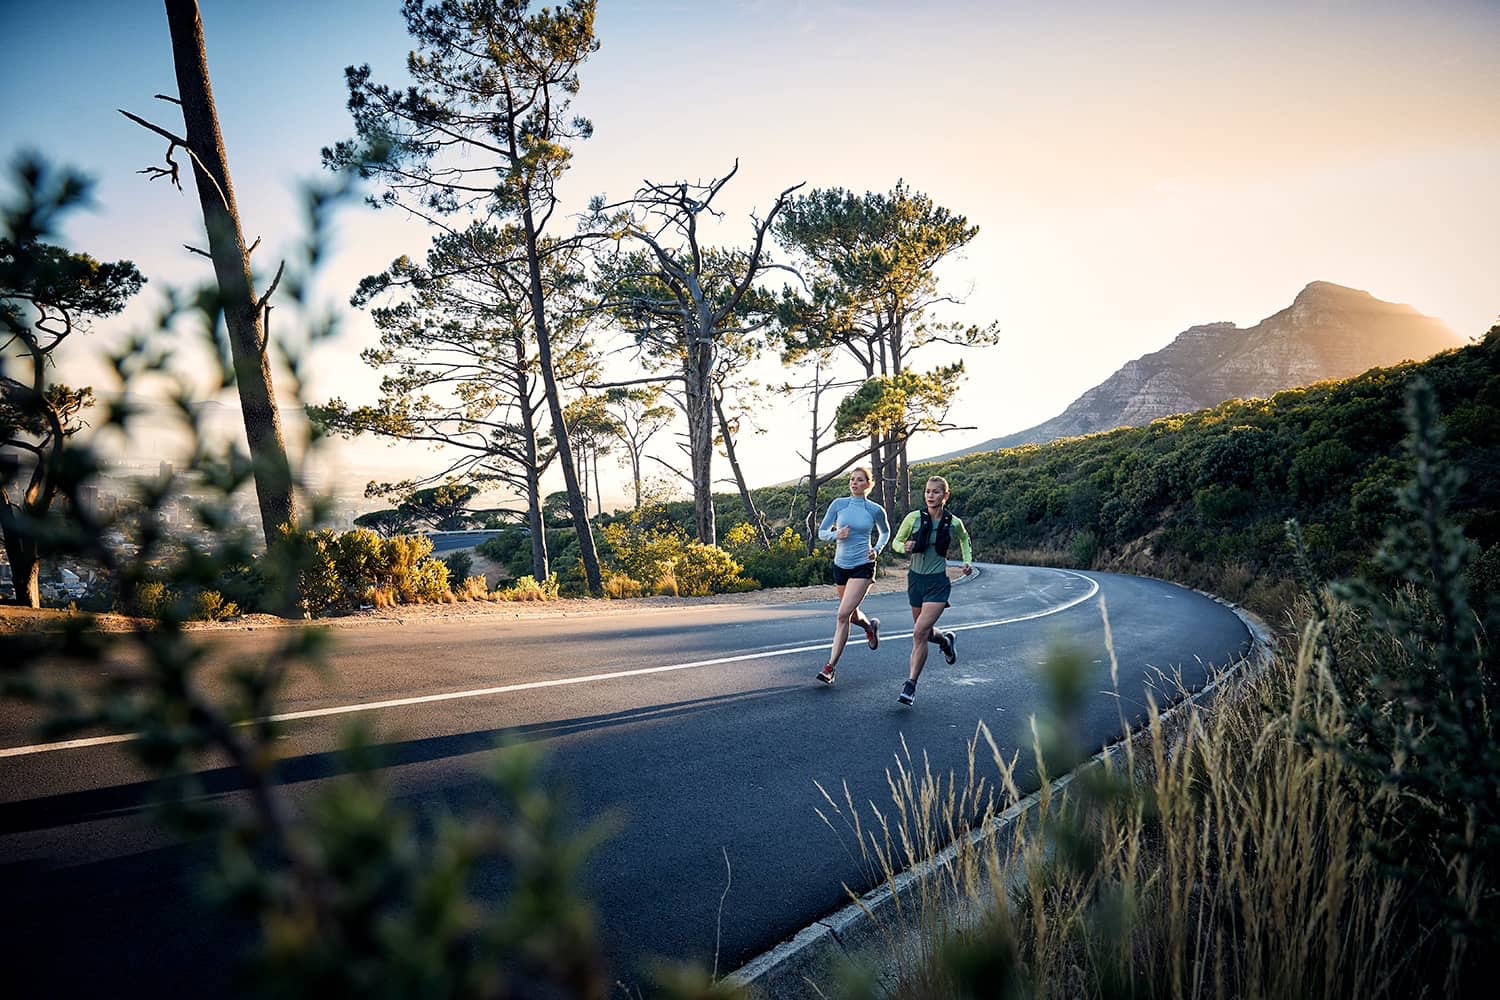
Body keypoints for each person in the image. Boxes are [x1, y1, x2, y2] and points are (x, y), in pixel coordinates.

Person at [890, 475, 973, 705]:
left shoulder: (953, 522)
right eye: (927, 491)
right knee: (924, 632)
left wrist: (967, 561)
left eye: (936, 492)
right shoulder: (913, 518)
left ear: (945, 496)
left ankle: (910, 685)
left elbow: (965, 539)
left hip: (938, 582)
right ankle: (946, 641)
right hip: (916, 581)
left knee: (918, 633)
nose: (930, 495)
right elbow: (896, 542)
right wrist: (903, 547)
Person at [813, 467, 891, 685]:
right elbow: (822, 532)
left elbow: (885, 531)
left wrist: (877, 548)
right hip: (841, 566)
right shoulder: (839, 504)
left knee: (842, 615)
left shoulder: (875, 510)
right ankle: (869, 627)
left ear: (868, 484)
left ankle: (830, 668)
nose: (854, 483)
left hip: (863, 566)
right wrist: (835, 534)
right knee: (851, 613)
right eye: (852, 480)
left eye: (859, 480)